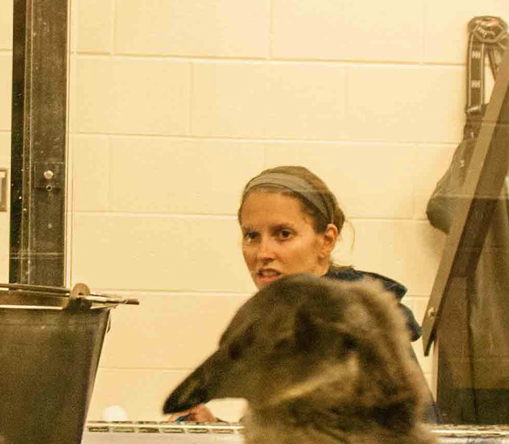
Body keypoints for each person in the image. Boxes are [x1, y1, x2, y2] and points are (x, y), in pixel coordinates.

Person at [177, 165, 426, 423]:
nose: (263, 253)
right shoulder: (290, 318)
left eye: (283, 234)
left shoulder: (355, 326)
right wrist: (215, 428)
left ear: (327, 240)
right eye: (252, 235)